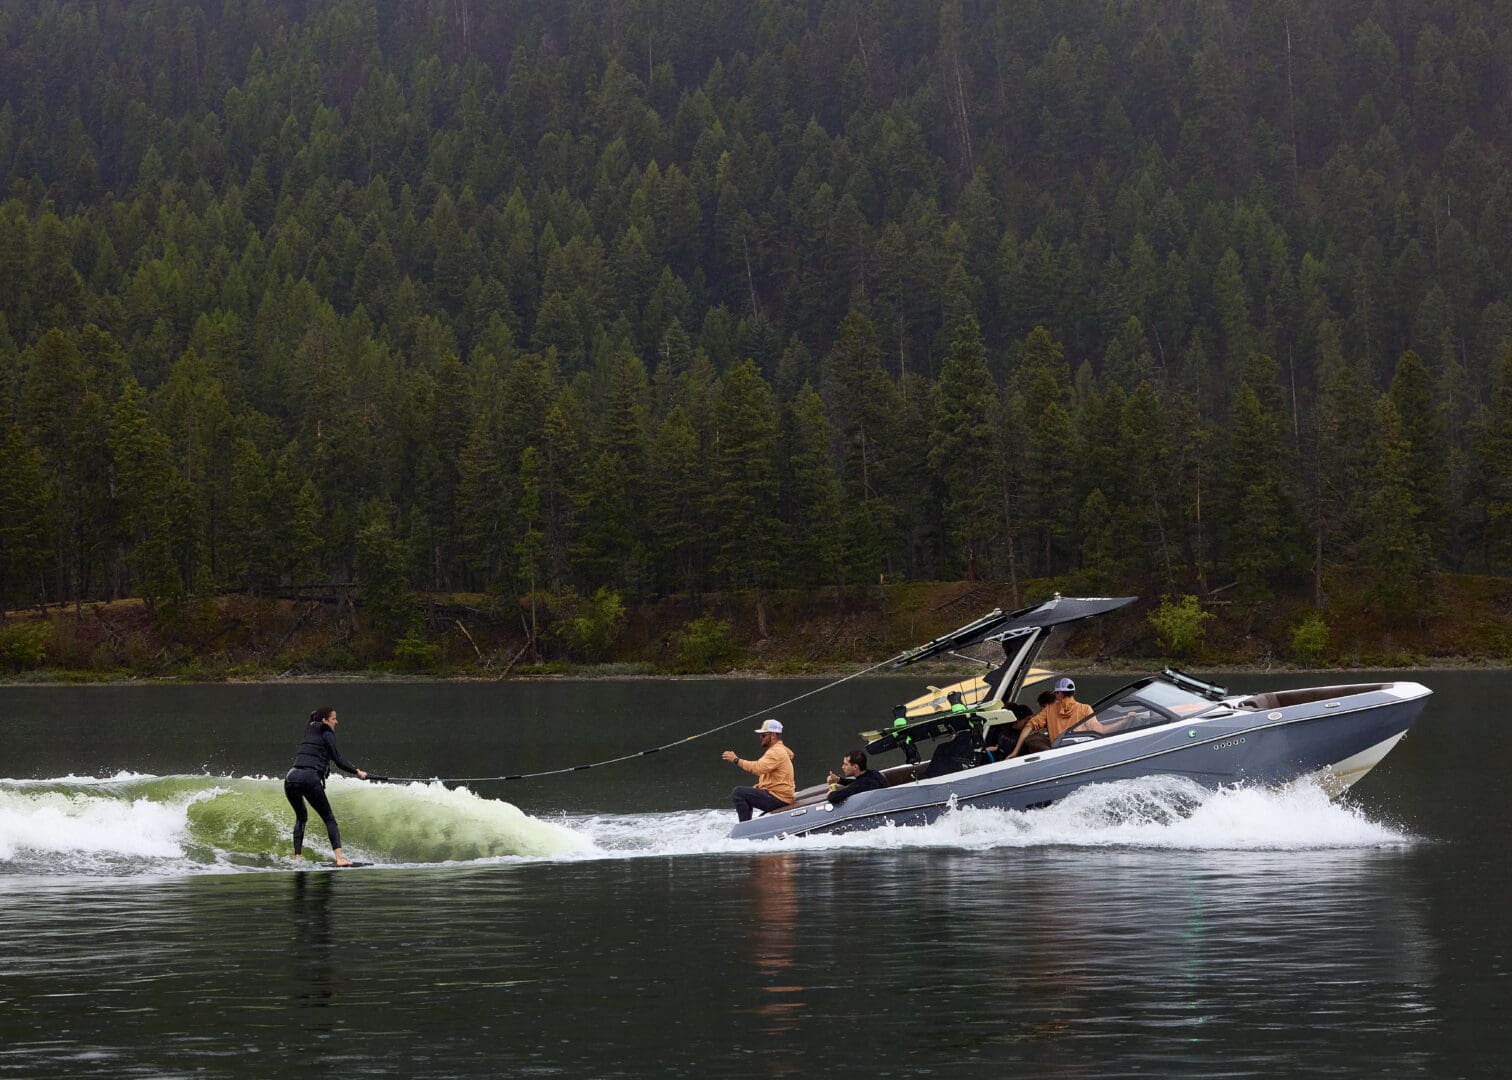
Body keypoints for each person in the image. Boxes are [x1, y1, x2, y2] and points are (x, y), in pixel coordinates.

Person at [285, 706, 369, 865]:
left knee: (301, 817)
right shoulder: (327, 734)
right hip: (309, 777)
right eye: (333, 718)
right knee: (329, 819)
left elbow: (312, 717)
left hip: (291, 777)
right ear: (324, 720)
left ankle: (297, 856)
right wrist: (357, 772)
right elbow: (337, 759)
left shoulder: (310, 729)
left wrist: (315, 715)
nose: (336, 722)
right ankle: (339, 859)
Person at [722, 718, 795, 822]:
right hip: (780, 796)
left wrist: (736, 760)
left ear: (773, 735)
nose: (761, 737)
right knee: (745, 793)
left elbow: (757, 768)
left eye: (764, 735)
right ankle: (748, 825)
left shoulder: (776, 752)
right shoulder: (779, 750)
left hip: (779, 799)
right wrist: (759, 788)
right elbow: (767, 775)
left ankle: (745, 828)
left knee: (738, 793)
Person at [1006, 678, 1093, 759]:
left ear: (1059, 694)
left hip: (1057, 754)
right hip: (1079, 753)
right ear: (1073, 693)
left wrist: (1015, 751)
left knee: (1033, 738)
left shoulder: (1049, 710)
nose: (1041, 710)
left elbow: (1030, 725)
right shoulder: (1086, 709)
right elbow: (1098, 729)